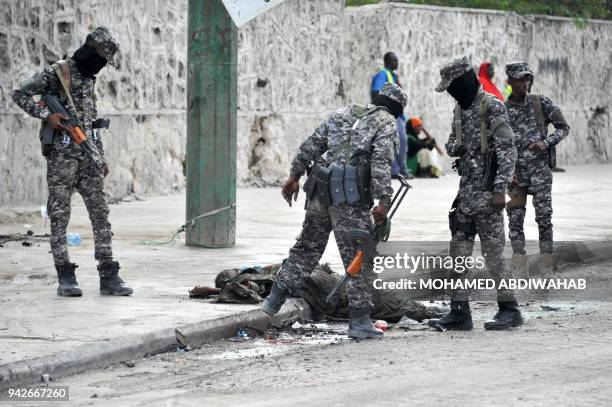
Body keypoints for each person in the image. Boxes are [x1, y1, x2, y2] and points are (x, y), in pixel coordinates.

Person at [261, 83, 408, 340]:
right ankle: (360, 321)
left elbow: (312, 144)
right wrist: (384, 201)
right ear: (396, 109)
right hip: (349, 199)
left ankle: (274, 299)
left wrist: (294, 175)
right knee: (360, 258)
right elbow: (381, 163)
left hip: (319, 190)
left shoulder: (343, 113)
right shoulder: (386, 123)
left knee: (307, 248)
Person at [11, 27, 132, 297]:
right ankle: (65, 276)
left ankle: (109, 276)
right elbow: (19, 93)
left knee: (101, 216)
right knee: (60, 217)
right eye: (101, 57)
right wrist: (46, 115)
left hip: (88, 157)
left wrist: (99, 156)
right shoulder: (58, 72)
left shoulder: (90, 78)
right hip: (62, 157)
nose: (101, 65)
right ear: (90, 49)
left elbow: (90, 122)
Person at [428, 56, 522, 331]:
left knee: (494, 256)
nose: (450, 92)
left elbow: (508, 150)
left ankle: (510, 309)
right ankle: (459, 312)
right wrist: (455, 145)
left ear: (464, 81)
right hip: (466, 196)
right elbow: (451, 141)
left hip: (488, 196)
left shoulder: (492, 106)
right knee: (458, 253)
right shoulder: (459, 109)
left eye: (452, 86)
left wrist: (499, 191)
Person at [504, 62, 570, 275]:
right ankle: (518, 261)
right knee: (514, 218)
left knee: (544, 217)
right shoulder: (502, 110)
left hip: (540, 172)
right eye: (520, 79)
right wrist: (505, 172)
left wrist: (546, 143)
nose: (525, 83)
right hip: (514, 176)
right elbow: (498, 143)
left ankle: (547, 261)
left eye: (527, 79)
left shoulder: (540, 102)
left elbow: (563, 127)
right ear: (510, 82)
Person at [370, 52, 409, 178]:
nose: (397, 63)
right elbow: (376, 93)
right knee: (398, 140)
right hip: (390, 113)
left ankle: (400, 169)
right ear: (387, 62)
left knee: (400, 141)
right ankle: (395, 170)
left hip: (398, 114)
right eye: (394, 61)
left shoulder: (393, 75)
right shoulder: (383, 74)